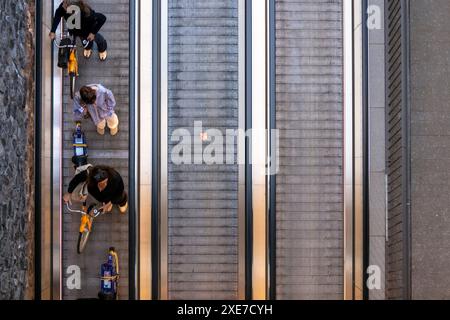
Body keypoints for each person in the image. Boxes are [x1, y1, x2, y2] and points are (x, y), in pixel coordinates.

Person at [64, 165, 128, 214]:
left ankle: (122, 203)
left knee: (120, 198)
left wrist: (109, 203)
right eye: (102, 183)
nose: (105, 184)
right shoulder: (89, 175)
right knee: (103, 199)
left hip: (115, 193)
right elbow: (76, 179)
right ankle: (107, 202)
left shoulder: (115, 177)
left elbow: (119, 191)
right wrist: (69, 193)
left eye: (106, 182)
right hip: (102, 196)